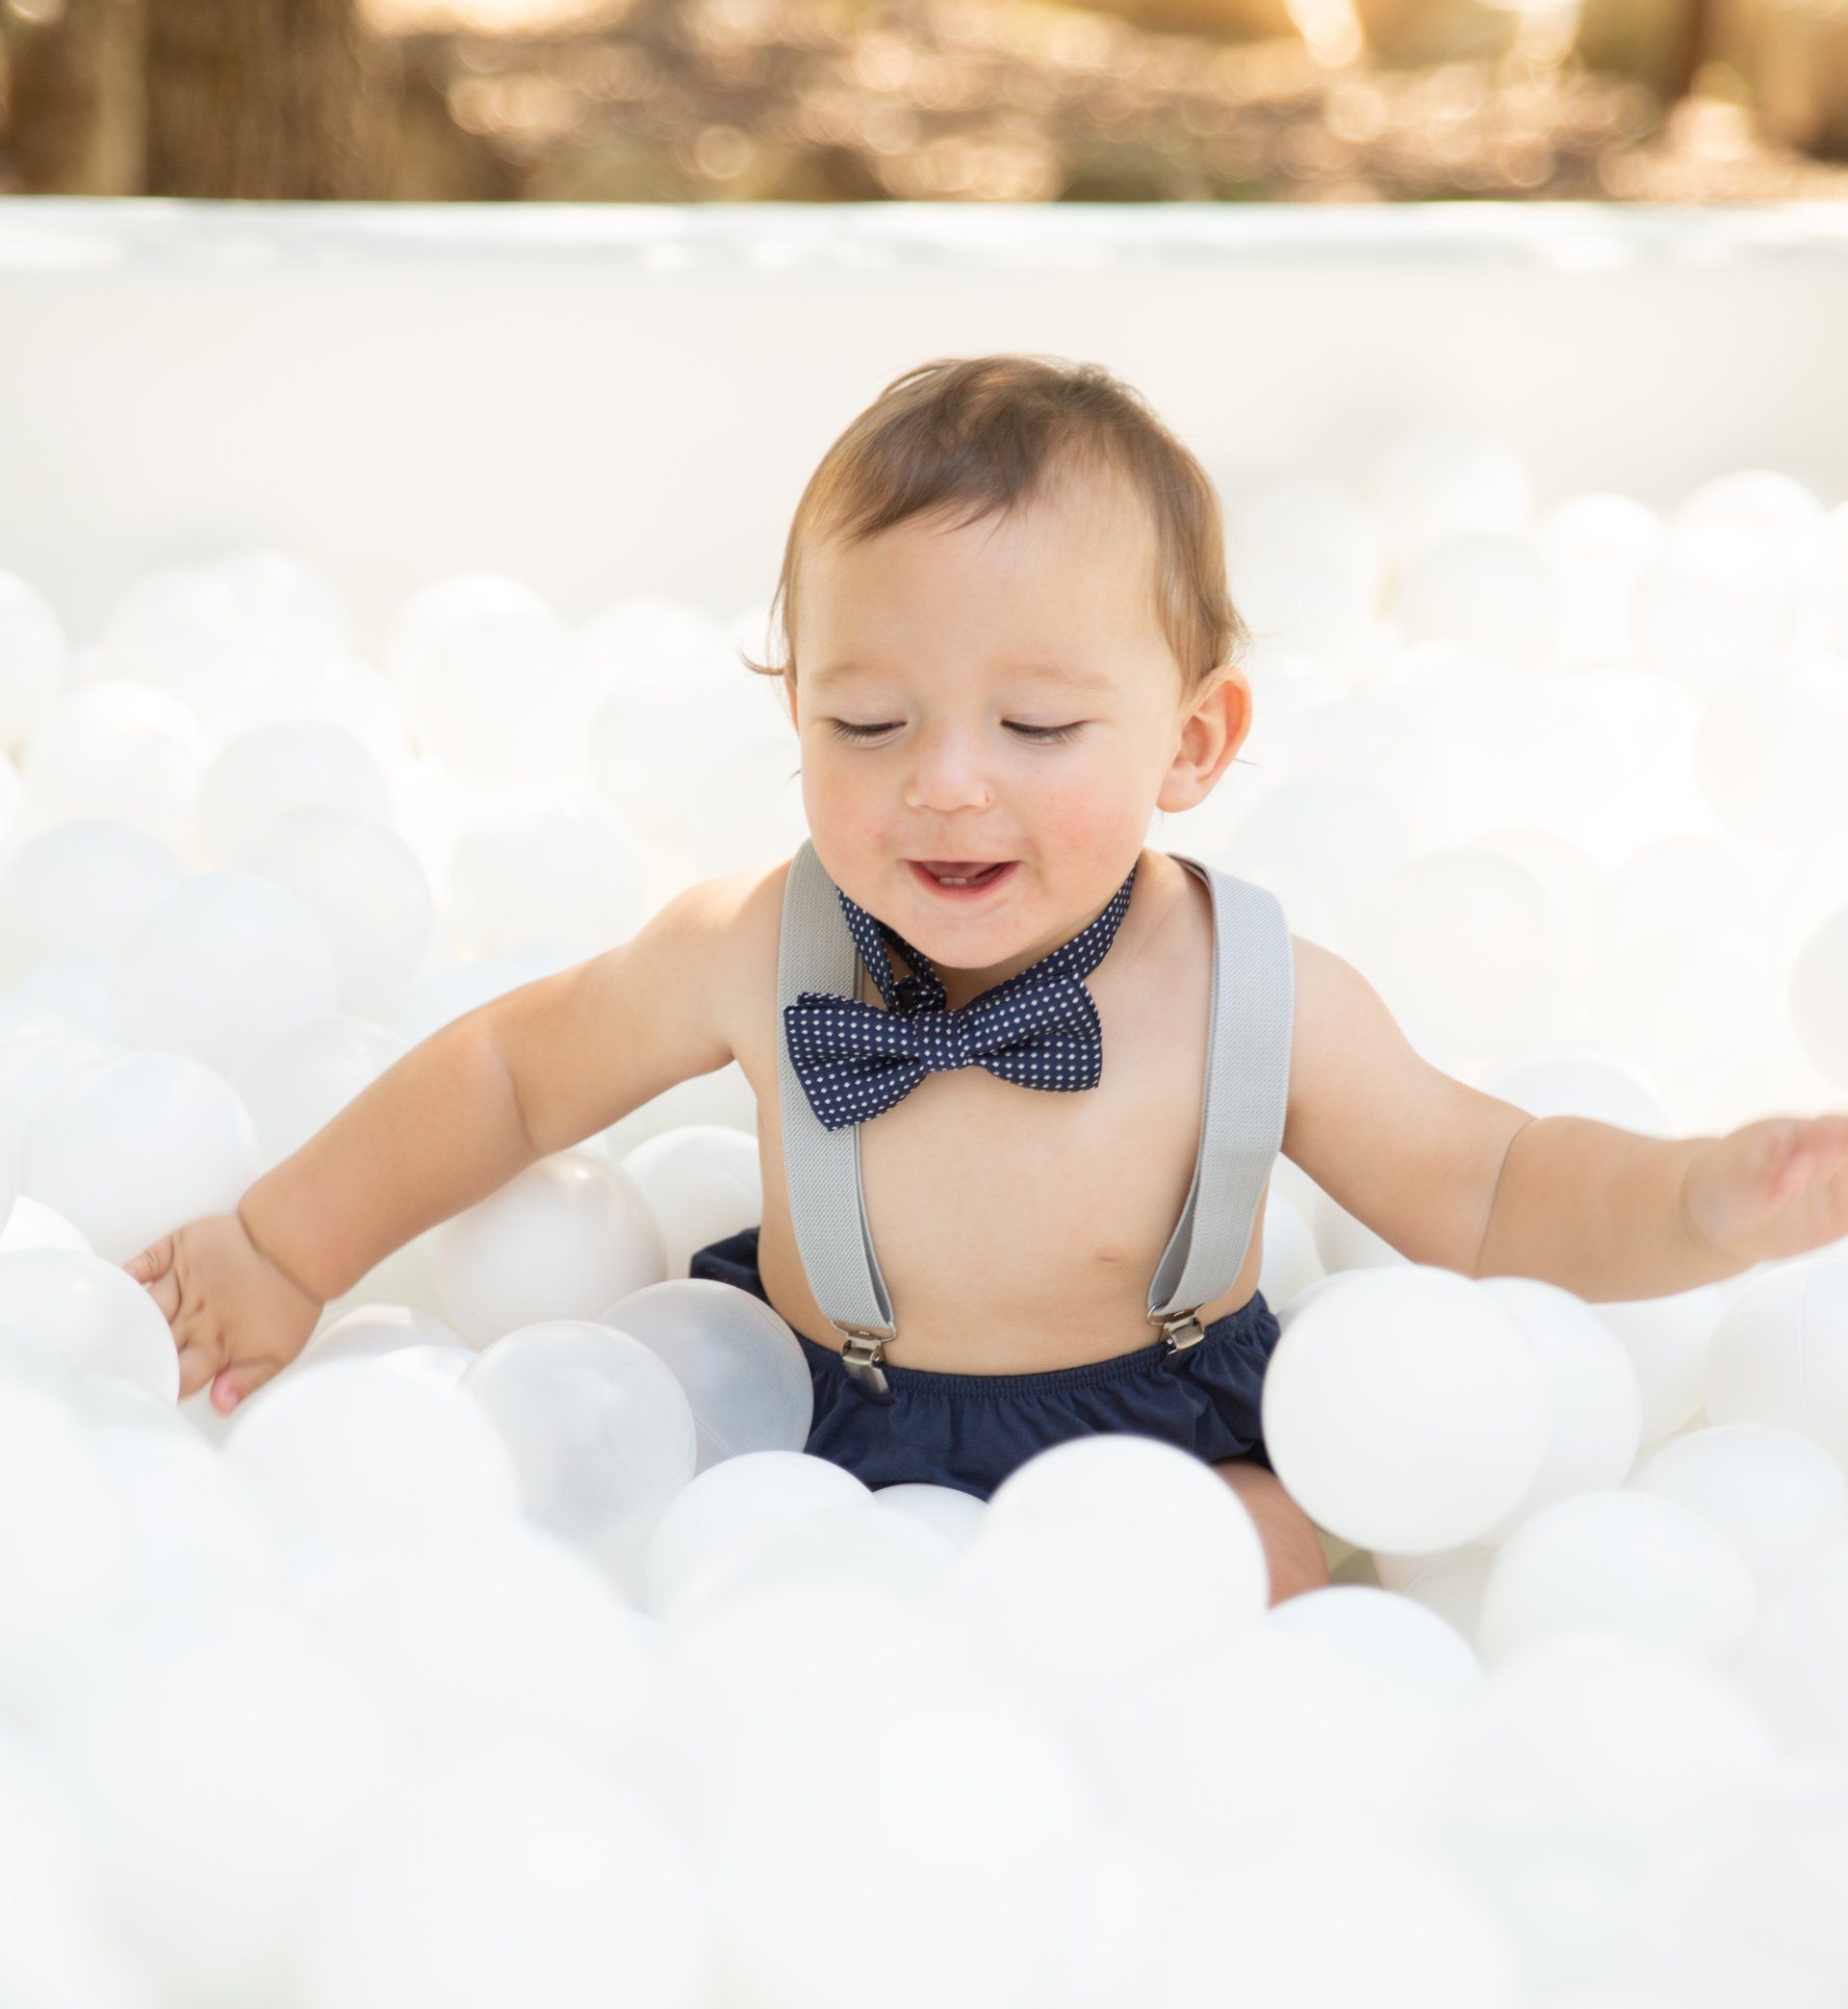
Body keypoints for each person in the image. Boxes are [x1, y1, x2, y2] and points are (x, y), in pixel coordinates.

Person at [122, 355, 1848, 1608]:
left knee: (1276, 1564)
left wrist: (1700, 1200)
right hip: (821, 1415)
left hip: (1170, 1438)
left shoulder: (1255, 991)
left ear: (1196, 740)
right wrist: (282, 1246)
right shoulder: (755, 948)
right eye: (867, 724)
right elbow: (509, 1072)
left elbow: (1489, 1185)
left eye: (1035, 727)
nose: (947, 780)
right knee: (709, 1591)